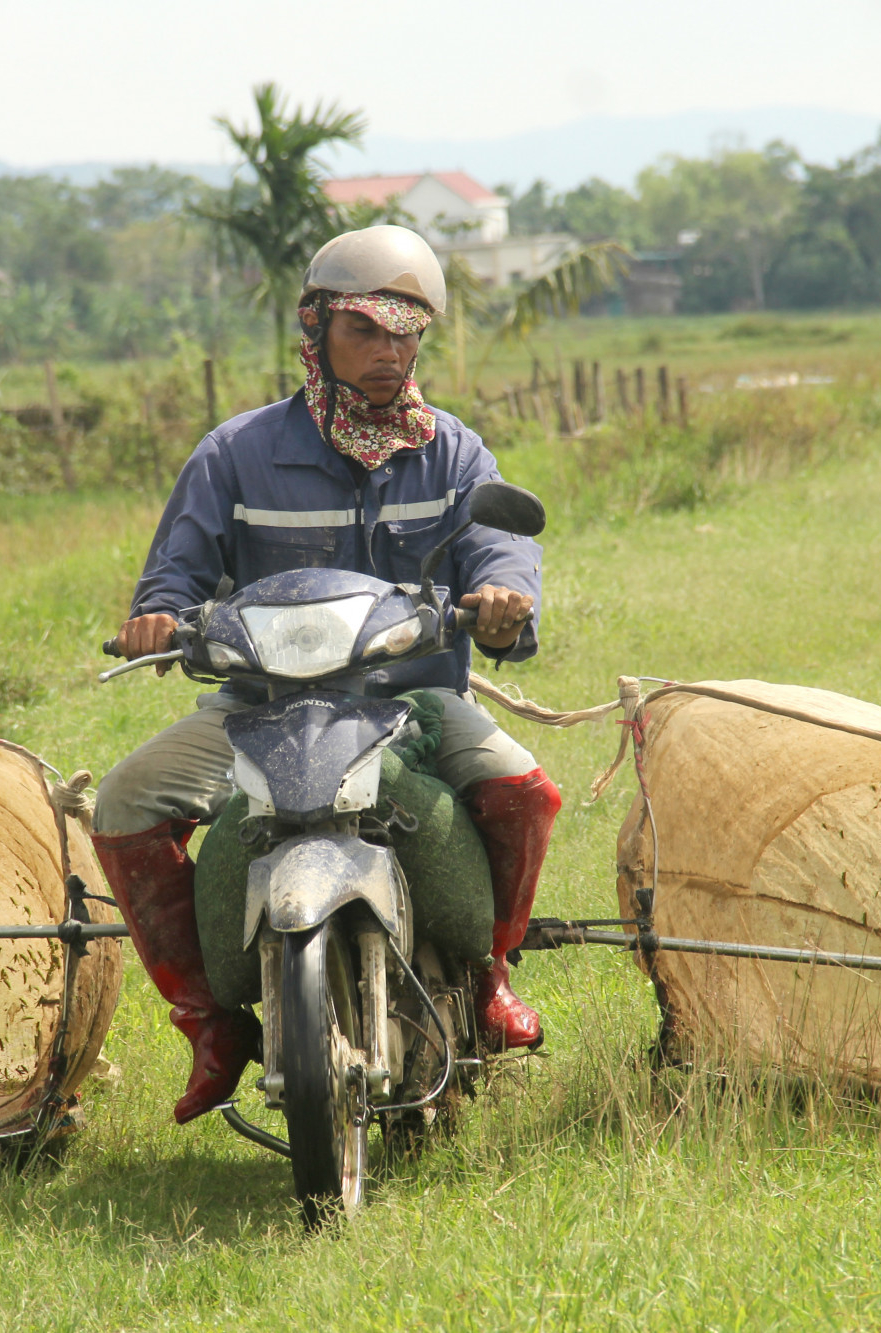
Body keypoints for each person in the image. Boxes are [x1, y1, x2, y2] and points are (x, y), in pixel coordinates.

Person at [89, 225, 561, 1125]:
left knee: (522, 787)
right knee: (124, 801)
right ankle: (209, 1022)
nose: (389, 354)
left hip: (413, 697)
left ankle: (490, 975)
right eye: (366, 333)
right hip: (259, 703)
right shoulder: (235, 453)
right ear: (317, 331)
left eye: (406, 333)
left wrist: (503, 593)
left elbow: (499, 546)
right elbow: (175, 575)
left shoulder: (454, 452)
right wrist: (158, 615)